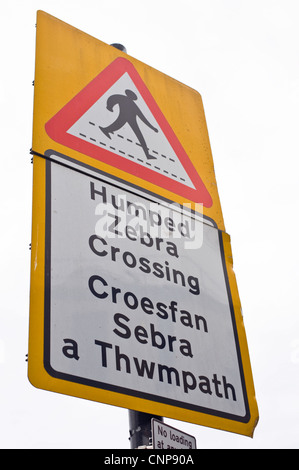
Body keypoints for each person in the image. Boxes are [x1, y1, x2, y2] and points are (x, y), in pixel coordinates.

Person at [99, 89, 158, 160]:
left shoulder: (130, 103)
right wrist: (109, 106)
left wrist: (152, 128)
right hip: (124, 118)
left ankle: (147, 155)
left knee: (139, 135)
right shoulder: (122, 98)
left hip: (131, 120)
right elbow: (112, 99)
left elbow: (143, 118)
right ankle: (106, 130)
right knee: (121, 126)